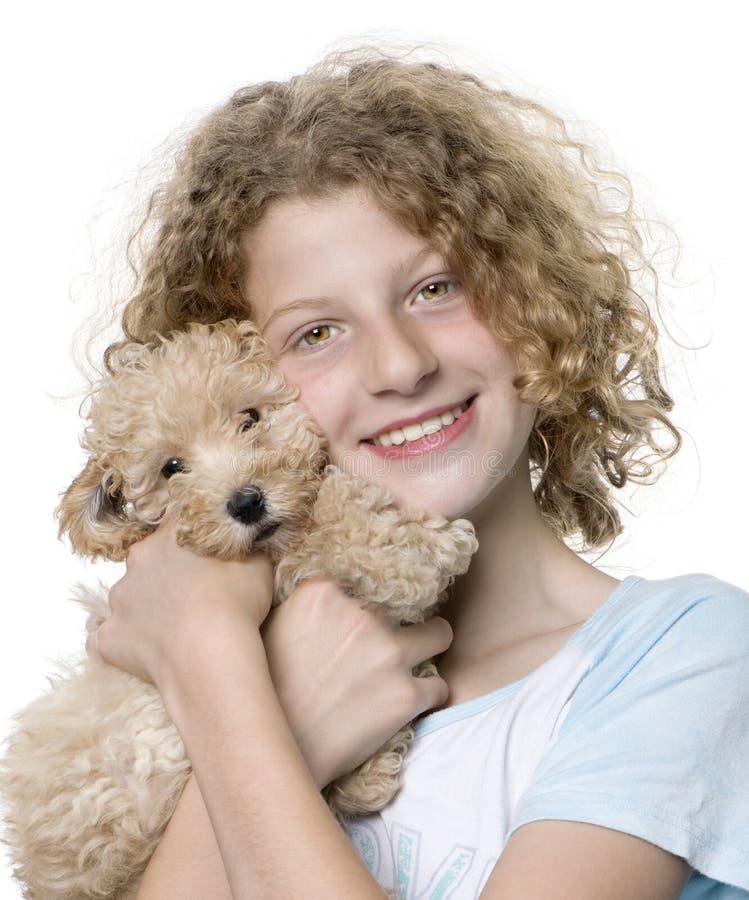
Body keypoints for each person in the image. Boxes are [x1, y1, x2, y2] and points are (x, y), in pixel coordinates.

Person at [86, 47, 749, 899]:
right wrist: (275, 708)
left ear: (530, 297)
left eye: (436, 287)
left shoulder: (684, 655)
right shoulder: (184, 723)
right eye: (314, 333)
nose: (400, 365)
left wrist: (213, 666)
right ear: (237, 382)